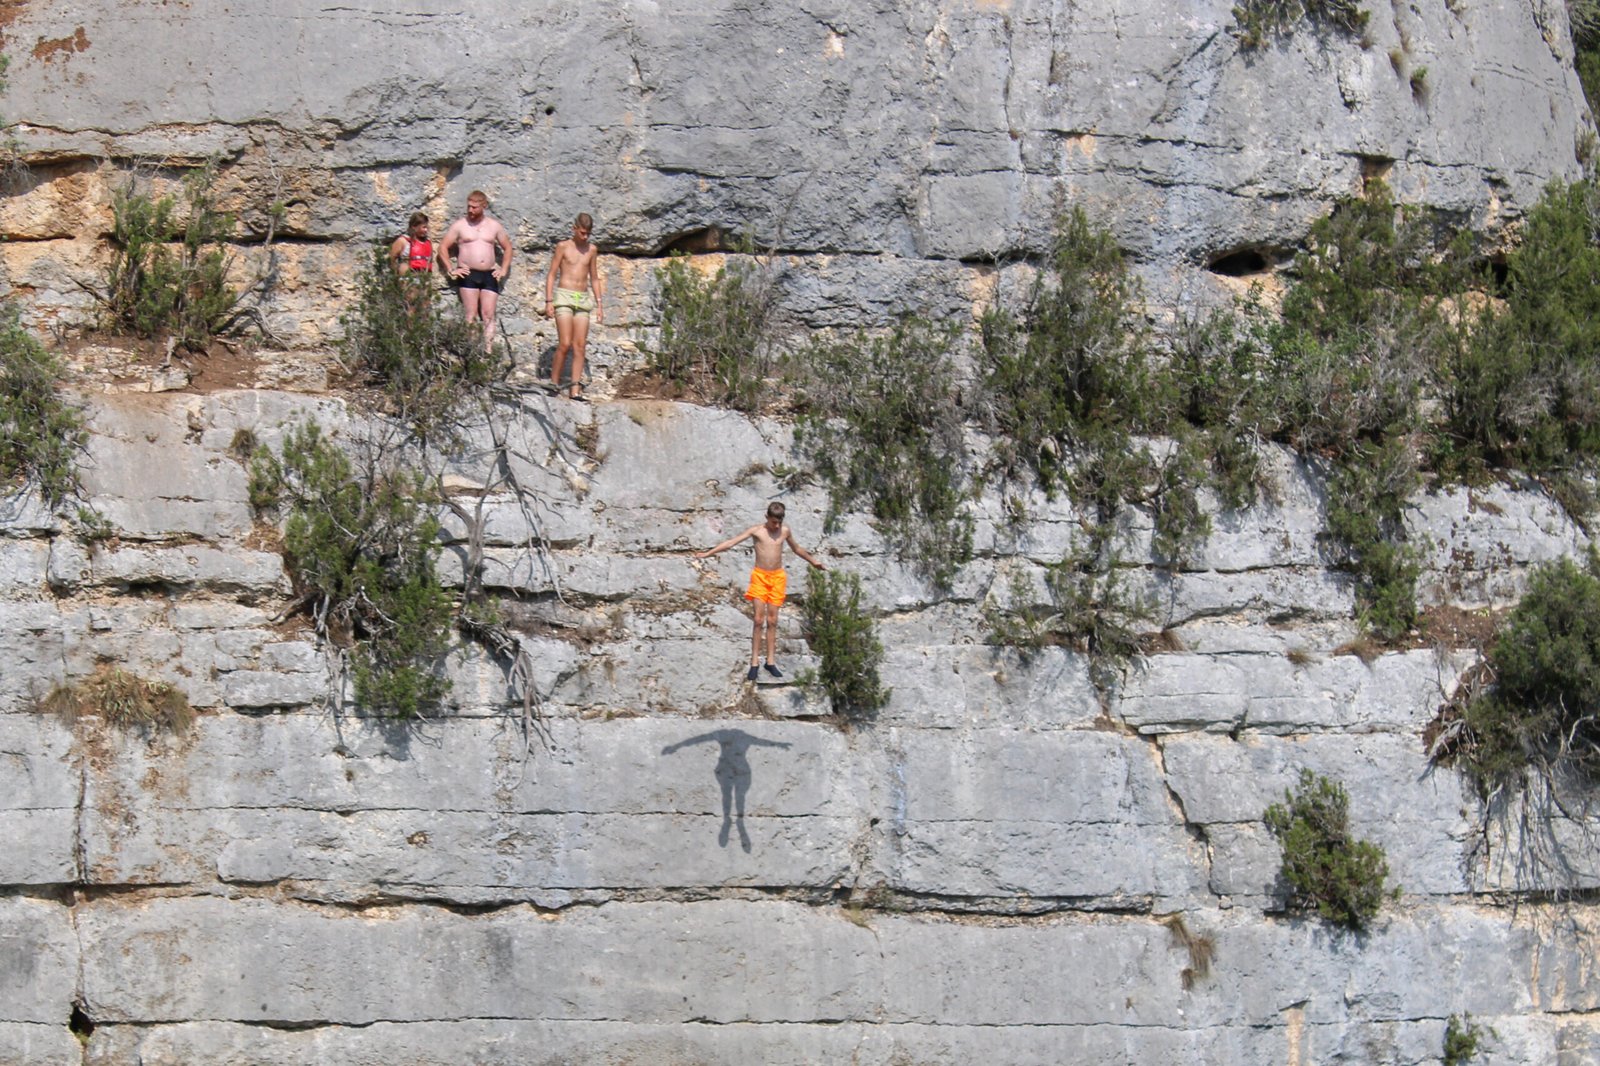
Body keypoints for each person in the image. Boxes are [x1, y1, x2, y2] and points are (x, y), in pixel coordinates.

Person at [694, 501, 826, 681]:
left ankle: (770, 661)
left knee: (772, 621)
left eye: (779, 522)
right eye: (773, 522)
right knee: (758, 620)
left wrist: (813, 561)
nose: (776, 526)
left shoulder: (784, 531)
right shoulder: (757, 531)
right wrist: (707, 554)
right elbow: (731, 543)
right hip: (760, 577)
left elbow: (796, 549)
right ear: (767, 517)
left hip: (777, 578)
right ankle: (754, 662)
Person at [436, 190, 513, 347]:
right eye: (469, 206)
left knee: (488, 314)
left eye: (474, 207)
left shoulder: (494, 226)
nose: (470, 210)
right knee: (471, 314)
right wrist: (451, 269)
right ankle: (472, 351)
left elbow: (508, 248)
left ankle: (488, 350)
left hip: (489, 274)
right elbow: (442, 247)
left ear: (484, 206)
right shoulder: (460, 225)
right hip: (468, 273)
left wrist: (503, 269)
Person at [543, 212, 604, 400]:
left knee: (580, 345)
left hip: (582, 298)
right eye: (582, 233)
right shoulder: (563, 247)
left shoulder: (591, 250)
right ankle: (554, 382)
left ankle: (575, 389)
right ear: (574, 229)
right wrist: (548, 301)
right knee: (565, 342)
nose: (585, 237)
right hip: (564, 295)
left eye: (588, 234)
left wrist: (600, 304)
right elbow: (552, 273)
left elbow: (594, 277)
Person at [388, 212, 433, 313]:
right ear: (414, 227)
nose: (426, 230)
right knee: (411, 308)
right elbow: (392, 258)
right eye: (423, 227)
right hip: (408, 279)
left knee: (425, 309)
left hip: (424, 279)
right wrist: (397, 274)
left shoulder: (428, 242)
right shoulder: (403, 241)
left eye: (427, 227)